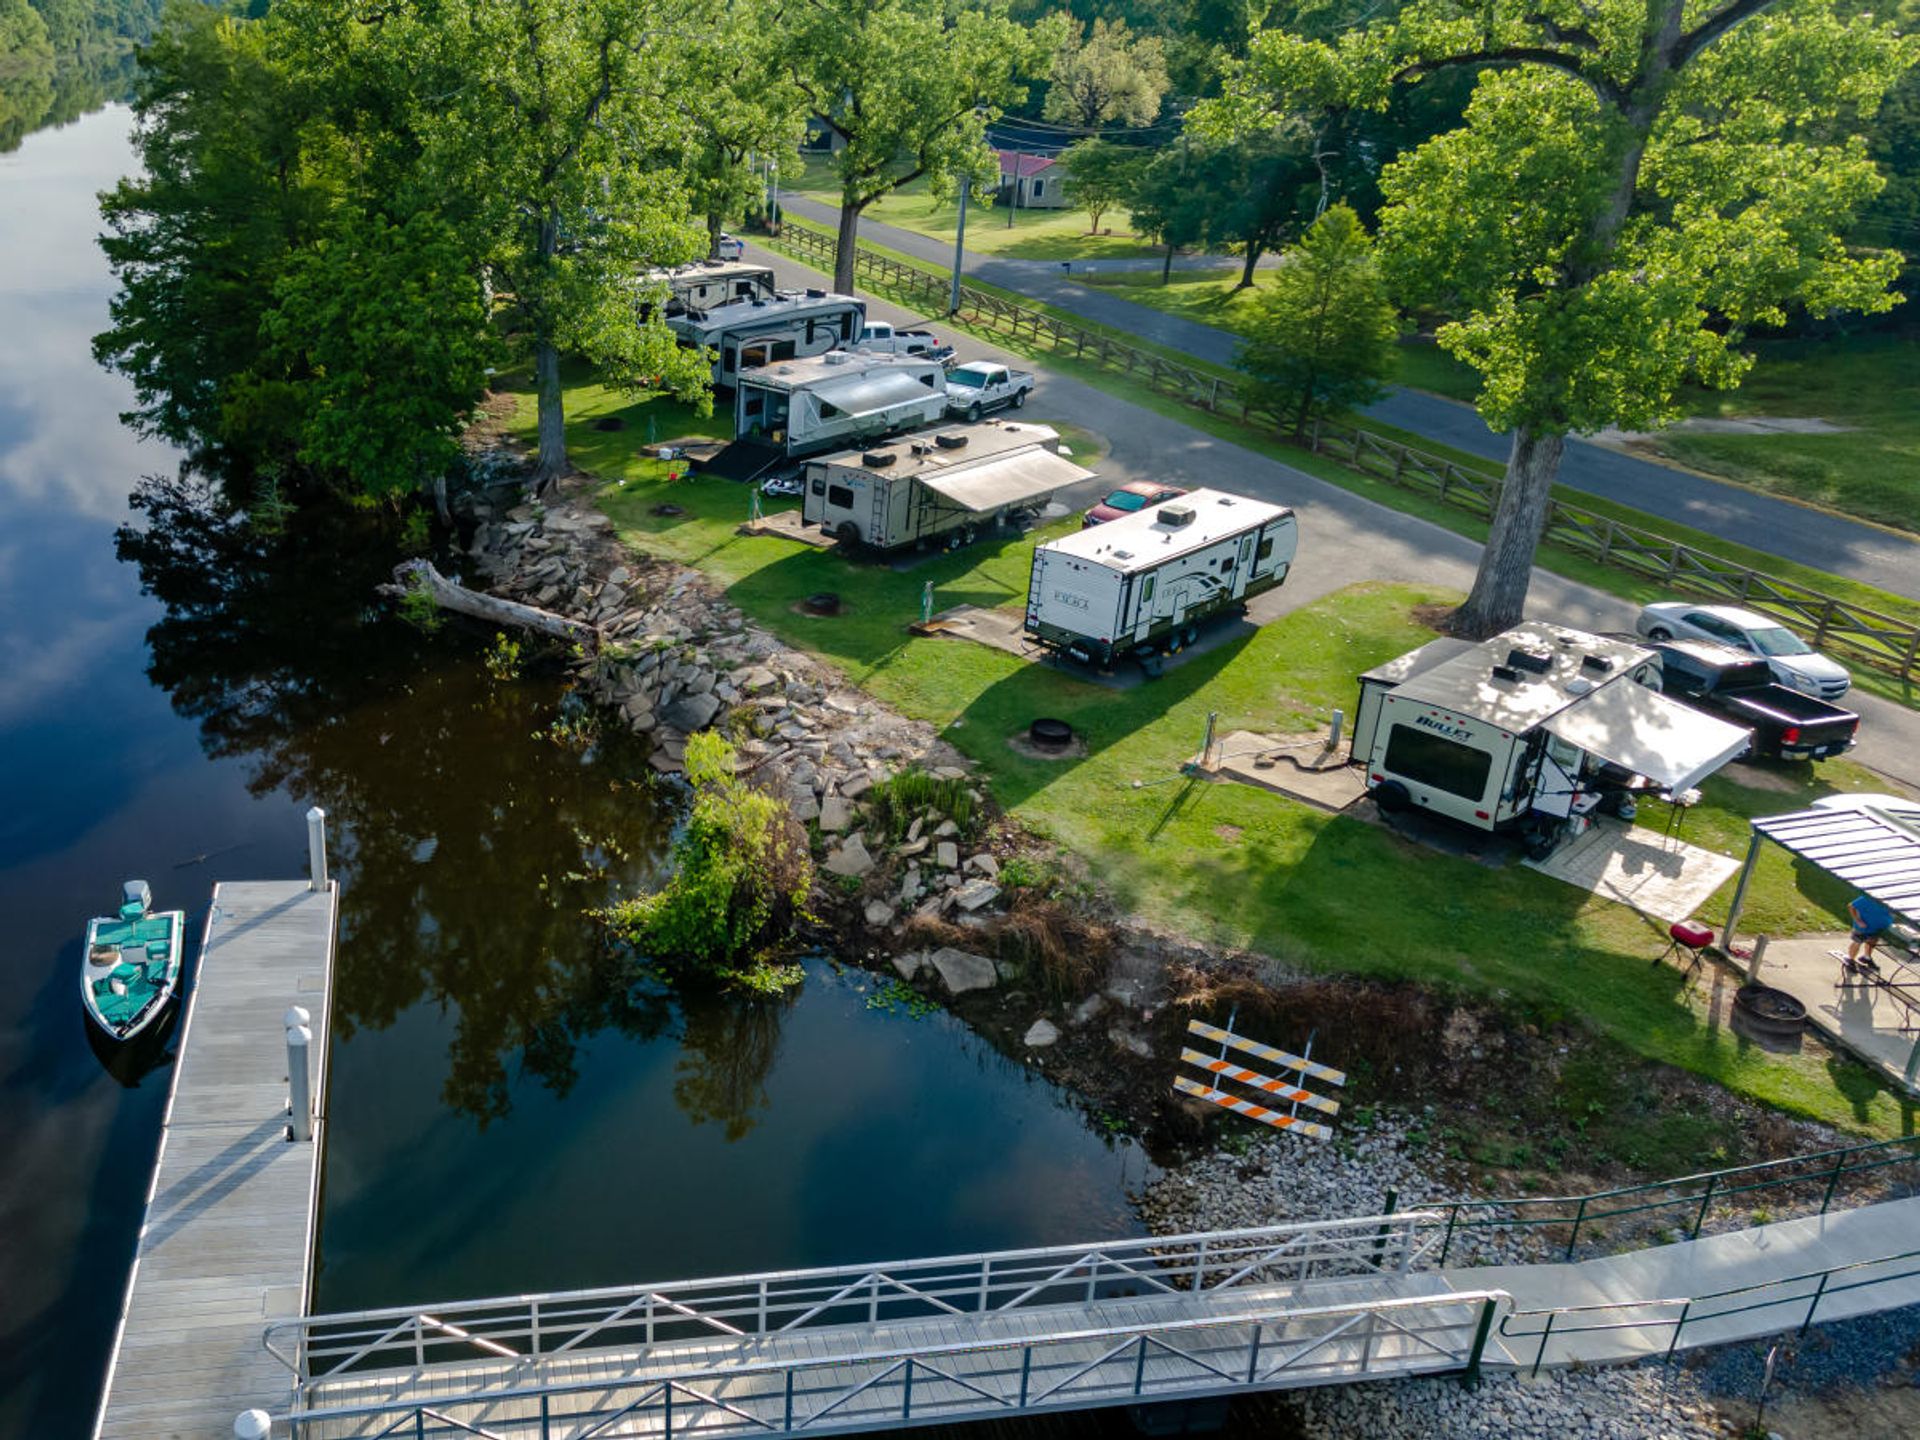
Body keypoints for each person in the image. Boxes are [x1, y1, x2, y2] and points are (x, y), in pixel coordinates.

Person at [1846, 893, 1894, 972]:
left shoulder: (1891, 901)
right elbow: (1851, 906)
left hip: (1878, 928)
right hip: (1863, 928)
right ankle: (1851, 960)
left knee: (1872, 943)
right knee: (1857, 942)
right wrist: (1858, 920)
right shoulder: (1867, 898)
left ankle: (1866, 958)